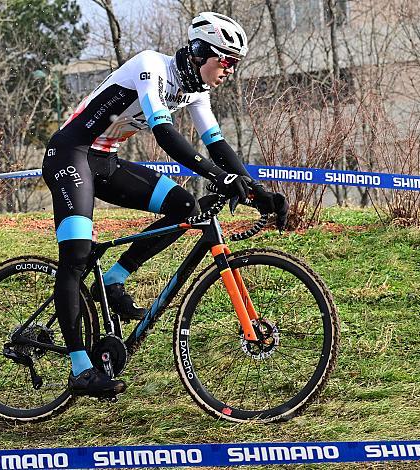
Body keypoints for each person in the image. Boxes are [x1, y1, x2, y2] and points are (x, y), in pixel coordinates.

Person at [42, 12, 288, 398]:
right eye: (225, 60)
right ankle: (79, 368)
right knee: (74, 254)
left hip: (104, 162)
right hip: (70, 155)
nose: (229, 70)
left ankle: (113, 279)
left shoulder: (196, 91)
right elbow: (164, 133)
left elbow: (217, 144)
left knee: (185, 207)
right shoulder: (151, 67)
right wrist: (218, 176)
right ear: (200, 52)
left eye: (234, 64)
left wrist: (256, 190)